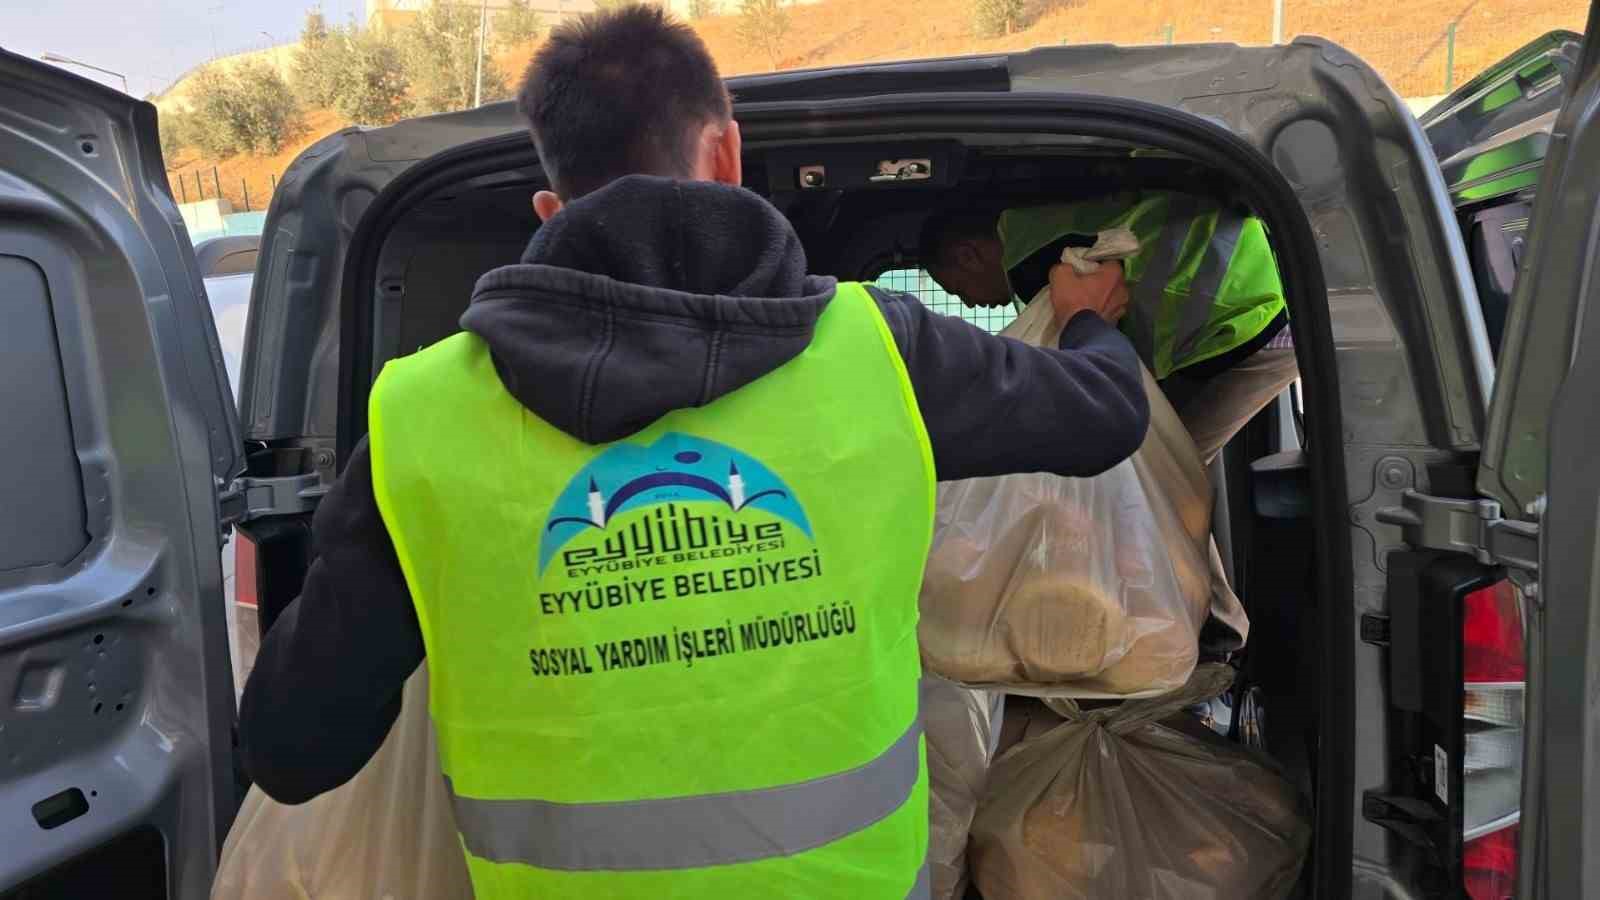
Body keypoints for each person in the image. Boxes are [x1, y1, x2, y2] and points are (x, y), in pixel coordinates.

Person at [237, 7, 1148, 899]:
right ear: (725, 155)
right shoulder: (886, 354)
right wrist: (1079, 321)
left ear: (550, 208)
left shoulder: (420, 420)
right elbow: (1106, 415)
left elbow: (291, 750)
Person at [921, 195, 1299, 461]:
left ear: (968, 254)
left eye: (958, 289)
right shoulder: (1047, 218)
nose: (969, 304)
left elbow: (1076, 376)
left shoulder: (1033, 262)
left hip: (1242, 321)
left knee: (1165, 473)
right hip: (1254, 286)